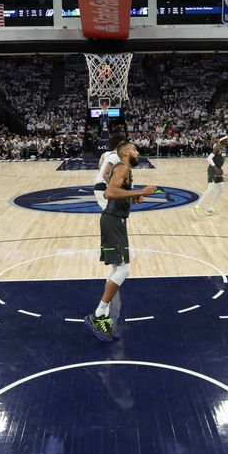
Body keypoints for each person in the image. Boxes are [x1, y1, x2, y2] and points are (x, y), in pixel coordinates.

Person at [84, 142, 156, 341]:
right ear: (125, 153)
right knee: (124, 269)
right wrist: (141, 192)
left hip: (116, 220)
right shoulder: (122, 168)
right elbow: (110, 193)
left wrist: (134, 198)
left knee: (117, 269)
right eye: (134, 149)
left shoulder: (125, 171)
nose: (137, 152)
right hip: (113, 221)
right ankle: (98, 313)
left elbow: (117, 194)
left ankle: (103, 315)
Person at [193, 137, 228, 216]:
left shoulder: (224, 148)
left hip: (218, 170)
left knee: (221, 190)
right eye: (226, 140)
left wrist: (219, 168)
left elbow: (219, 160)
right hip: (212, 170)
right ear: (222, 141)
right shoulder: (218, 148)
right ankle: (196, 206)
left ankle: (211, 208)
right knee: (211, 189)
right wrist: (215, 167)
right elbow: (209, 158)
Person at [93, 133, 127, 210]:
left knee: (111, 215)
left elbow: (101, 160)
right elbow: (105, 174)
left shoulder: (109, 154)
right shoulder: (115, 157)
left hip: (102, 188)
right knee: (111, 215)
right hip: (103, 188)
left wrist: (101, 169)